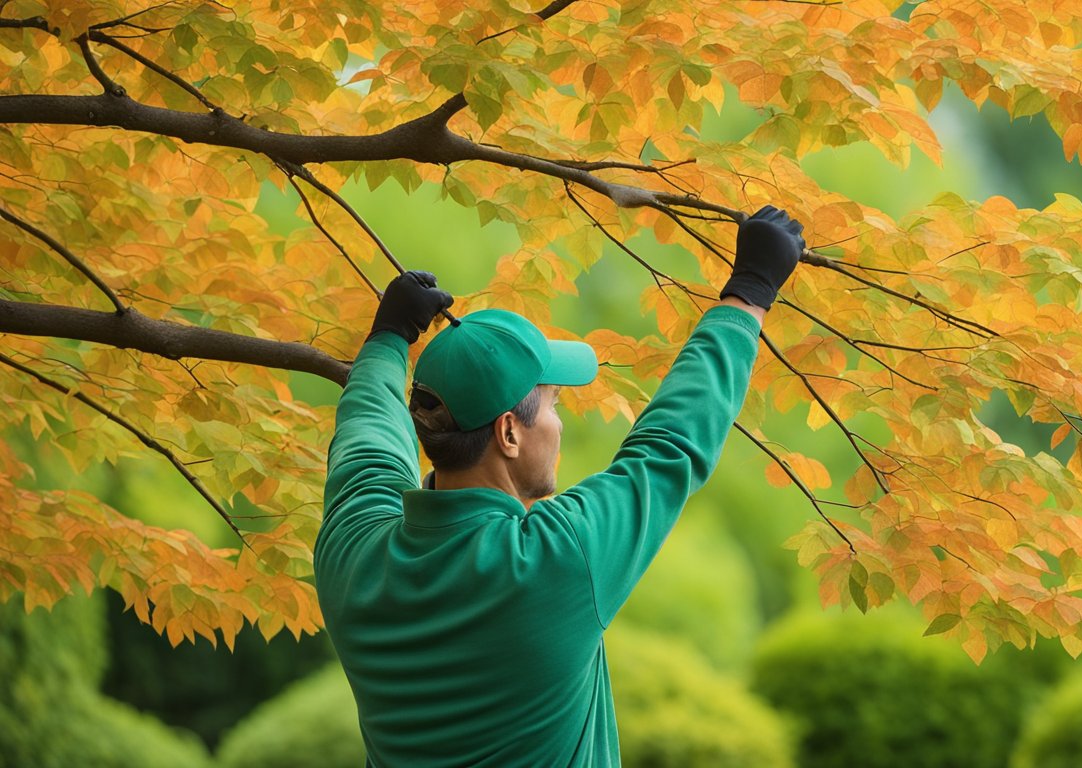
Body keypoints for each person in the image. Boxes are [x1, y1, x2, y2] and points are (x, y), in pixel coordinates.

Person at [314, 206, 806, 767]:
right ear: (509, 432)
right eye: (553, 404)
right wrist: (750, 293)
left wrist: (388, 337)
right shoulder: (552, 559)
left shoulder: (355, 551)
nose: (562, 422)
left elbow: (367, 430)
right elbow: (668, 445)